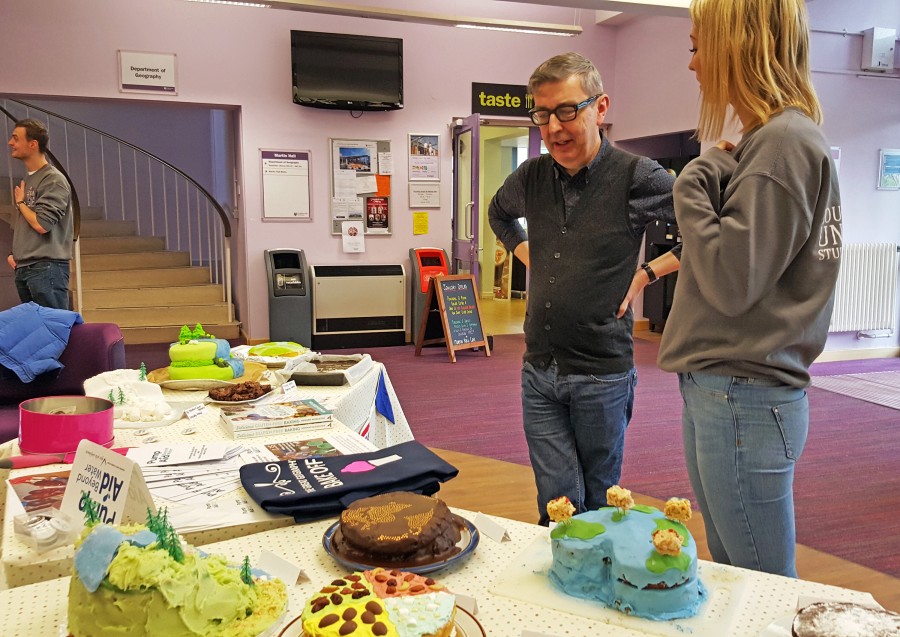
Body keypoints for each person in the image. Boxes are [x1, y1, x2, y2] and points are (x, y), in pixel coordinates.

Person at [657, 0, 842, 578]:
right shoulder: (779, 139)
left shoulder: (782, 142)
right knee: (736, 573)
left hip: (742, 394)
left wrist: (692, 181)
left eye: (697, 47)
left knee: (761, 588)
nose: (692, 64)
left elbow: (731, 283)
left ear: (736, 44)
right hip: (733, 391)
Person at [488, 52, 678, 525]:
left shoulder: (638, 176)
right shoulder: (531, 175)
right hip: (540, 368)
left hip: (602, 374)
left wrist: (646, 273)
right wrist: (527, 253)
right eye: (542, 114)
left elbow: (709, 231)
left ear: (601, 107)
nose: (554, 127)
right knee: (556, 504)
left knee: (598, 504)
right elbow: (499, 214)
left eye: (567, 110)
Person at [7, 118, 74, 310]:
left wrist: (21, 203)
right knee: (36, 325)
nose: (10, 143)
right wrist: (17, 254)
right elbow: (26, 225)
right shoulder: (29, 179)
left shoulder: (53, 179)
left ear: (33, 144)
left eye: (16, 138)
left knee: (52, 324)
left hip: (46, 268)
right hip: (27, 267)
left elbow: (42, 224)